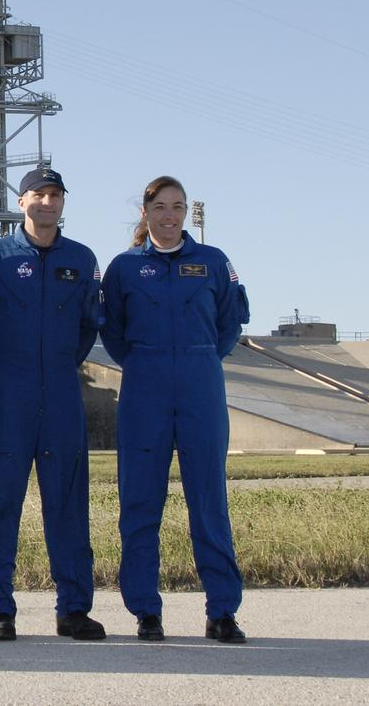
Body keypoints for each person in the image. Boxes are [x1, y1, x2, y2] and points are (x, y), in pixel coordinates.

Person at [101, 175, 250, 644]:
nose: (170, 215)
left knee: (209, 502)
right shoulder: (123, 268)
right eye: (161, 207)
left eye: (178, 207)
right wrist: (147, 363)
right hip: (144, 388)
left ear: (187, 212)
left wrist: (197, 357)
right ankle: (146, 611)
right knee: (141, 502)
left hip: (200, 384)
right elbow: (114, 333)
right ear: (145, 214)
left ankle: (222, 610)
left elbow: (229, 324)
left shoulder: (212, 262)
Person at [0, 167, 105, 642]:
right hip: (9, 395)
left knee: (68, 503)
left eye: (55, 195)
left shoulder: (83, 260)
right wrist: (1, 373)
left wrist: (60, 366)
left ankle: (73, 609)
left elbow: (90, 326)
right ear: (21, 201)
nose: (47, 202)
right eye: (38, 194)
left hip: (62, 395)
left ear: (63, 202)